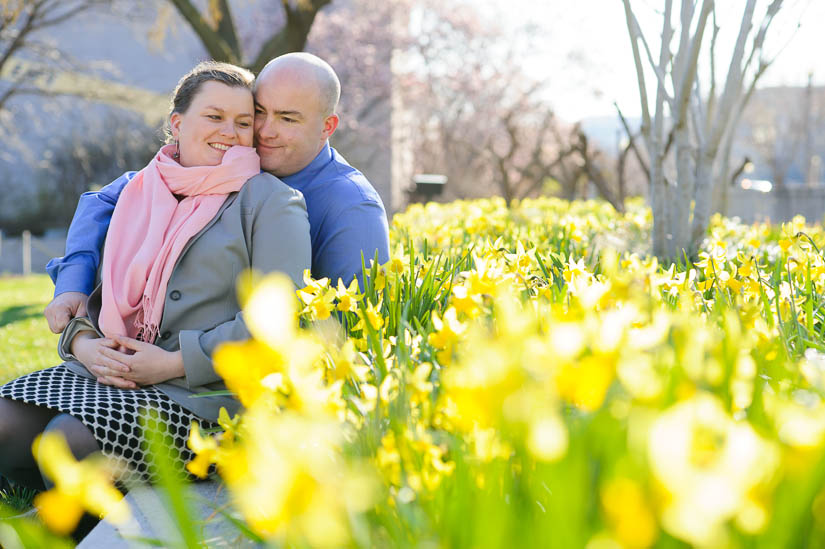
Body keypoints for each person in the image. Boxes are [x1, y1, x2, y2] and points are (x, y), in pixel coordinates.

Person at [0, 62, 311, 503]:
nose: (231, 131)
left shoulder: (271, 202)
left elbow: (277, 320)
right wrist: (83, 344)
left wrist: (174, 363)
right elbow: (97, 299)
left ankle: (69, 526)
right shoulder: (136, 192)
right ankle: (38, 506)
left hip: (201, 398)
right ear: (177, 124)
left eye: (244, 122)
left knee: (67, 441)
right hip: (105, 372)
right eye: (215, 116)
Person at [44, 52, 390, 335]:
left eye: (287, 119)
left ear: (327, 127)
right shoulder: (231, 166)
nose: (265, 132)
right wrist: (72, 286)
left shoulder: (352, 207)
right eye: (258, 113)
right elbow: (103, 200)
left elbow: (346, 329)